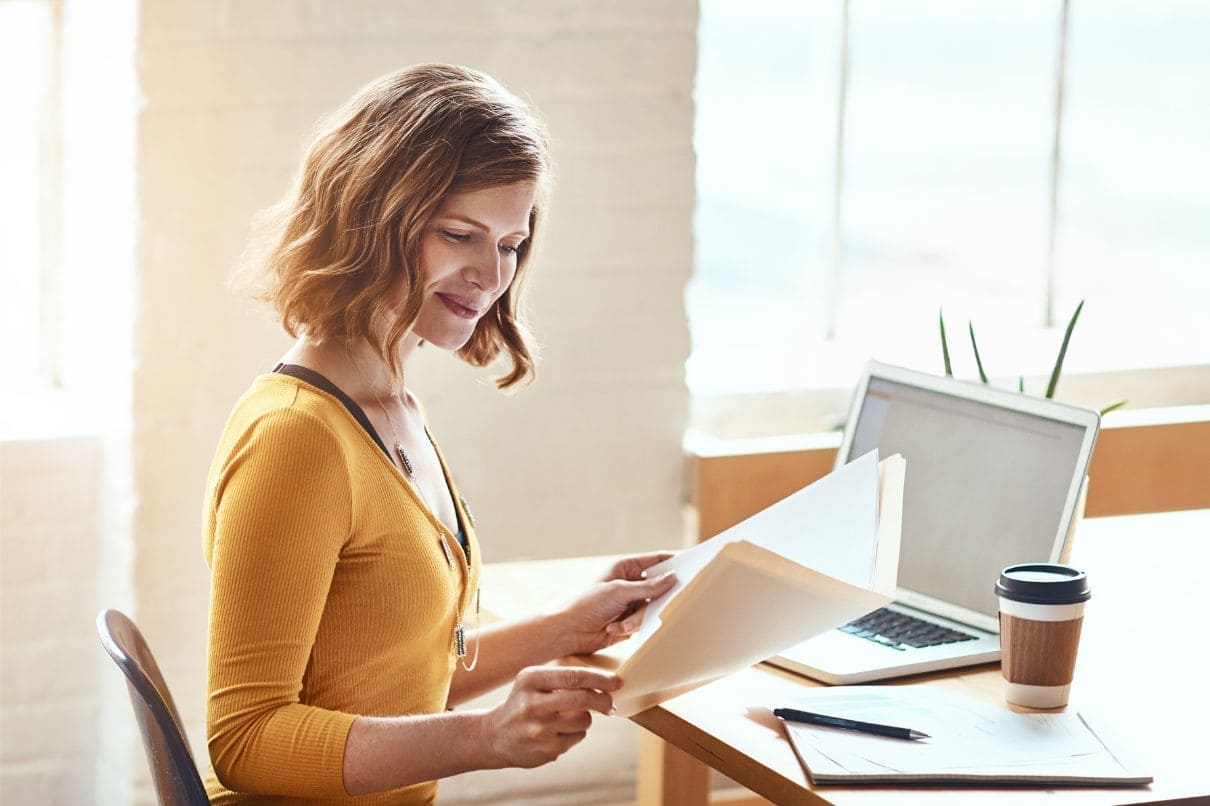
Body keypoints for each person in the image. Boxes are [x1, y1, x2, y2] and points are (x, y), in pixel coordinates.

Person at [202, 63, 677, 805]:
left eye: (512, 244)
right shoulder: (297, 438)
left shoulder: (392, 406)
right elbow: (247, 740)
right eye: (461, 234)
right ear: (373, 216)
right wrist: (485, 738)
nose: (491, 274)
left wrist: (566, 627)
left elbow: (405, 671)